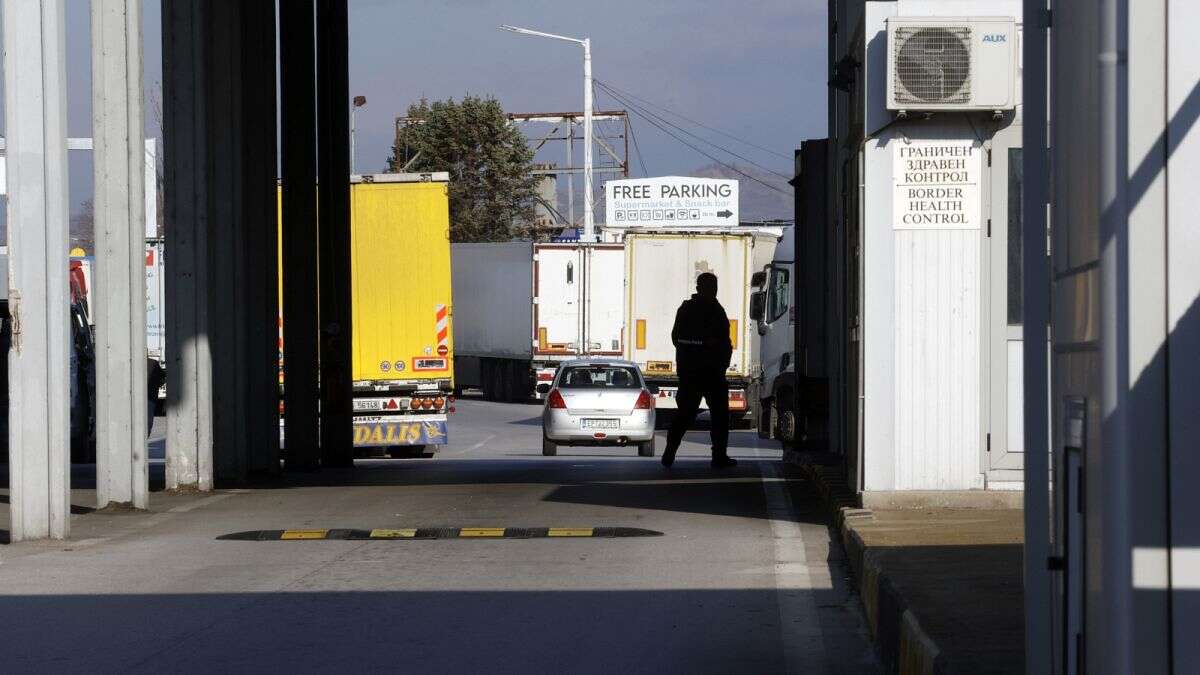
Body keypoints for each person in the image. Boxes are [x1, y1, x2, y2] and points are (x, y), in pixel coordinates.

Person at [661, 272, 736, 468]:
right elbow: (678, 338)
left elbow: (724, 340)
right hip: (693, 372)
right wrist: (703, 343)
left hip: (713, 372)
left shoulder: (717, 310)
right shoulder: (688, 309)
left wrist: (721, 357)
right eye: (710, 287)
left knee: (720, 415)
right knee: (686, 413)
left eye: (715, 287)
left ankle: (719, 456)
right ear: (700, 288)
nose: (713, 290)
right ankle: (671, 449)